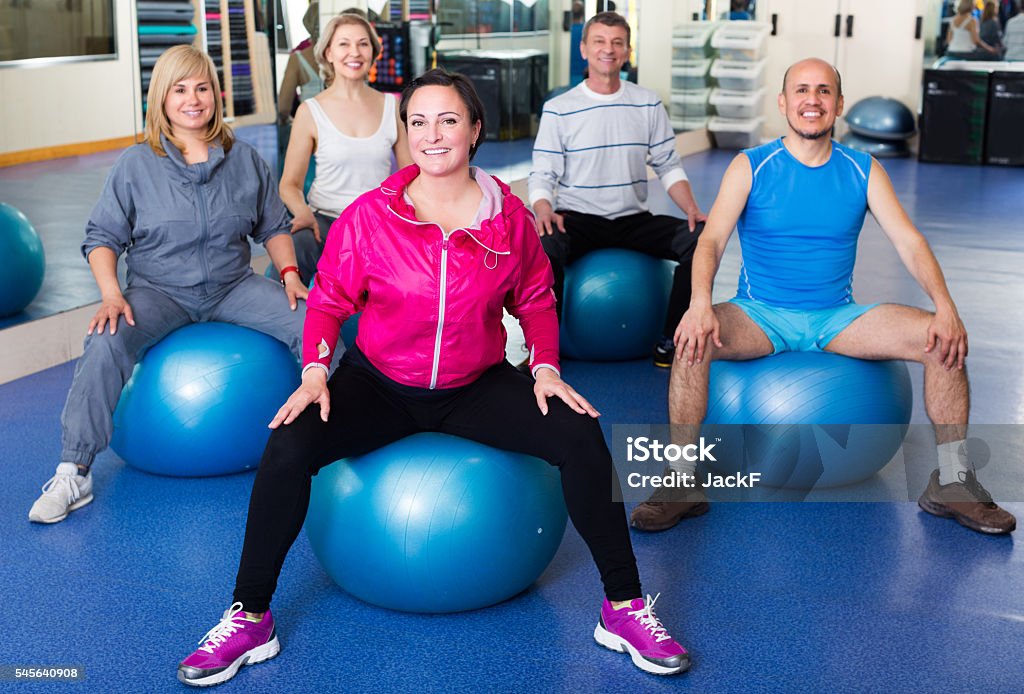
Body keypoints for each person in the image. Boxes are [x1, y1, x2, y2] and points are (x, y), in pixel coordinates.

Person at [177, 69, 691, 687]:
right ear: (406, 133)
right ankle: (249, 615)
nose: (432, 134)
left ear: (475, 131)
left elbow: (534, 297)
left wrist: (546, 367)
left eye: (448, 120)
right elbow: (331, 299)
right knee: (288, 444)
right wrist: (316, 370)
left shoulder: (508, 217)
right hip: (380, 384)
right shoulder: (371, 216)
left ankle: (625, 606)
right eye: (418, 122)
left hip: (475, 384)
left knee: (581, 435)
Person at [629, 58, 1017, 536]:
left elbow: (909, 241)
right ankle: (683, 479)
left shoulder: (862, 169)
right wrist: (700, 302)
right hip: (761, 313)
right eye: (801, 90)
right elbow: (711, 241)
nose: (812, 100)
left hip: (836, 316)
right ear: (783, 102)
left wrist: (946, 307)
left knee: (943, 340)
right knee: (691, 340)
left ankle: (953, 481)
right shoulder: (751, 165)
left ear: (838, 104)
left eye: (823, 91)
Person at [28, 45, 316, 524]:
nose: (193, 99)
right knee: (105, 340)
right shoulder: (135, 165)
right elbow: (102, 237)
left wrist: (289, 275)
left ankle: (335, 438)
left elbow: (274, 226)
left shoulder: (243, 160)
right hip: (158, 292)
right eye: (180, 89)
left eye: (202, 88)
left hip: (231, 286)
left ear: (215, 95)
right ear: (161, 98)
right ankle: (74, 470)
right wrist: (112, 294)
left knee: (314, 322)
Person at [529, 11, 707, 368]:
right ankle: (543, 354)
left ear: (627, 51)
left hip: (631, 219)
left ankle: (670, 340)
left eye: (616, 43)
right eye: (599, 41)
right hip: (577, 218)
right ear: (584, 49)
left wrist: (690, 207)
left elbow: (668, 164)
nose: (607, 50)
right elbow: (543, 172)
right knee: (545, 247)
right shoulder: (560, 109)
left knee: (701, 238)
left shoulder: (647, 103)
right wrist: (543, 207)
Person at [279, 11, 411, 283]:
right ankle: (298, 320)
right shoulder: (310, 111)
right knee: (297, 245)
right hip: (325, 222)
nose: (355, 52)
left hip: (377, 222)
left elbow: (410, 175)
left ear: (373, 51)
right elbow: (289, 184)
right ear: (328, 53)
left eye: (363, 43)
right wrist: (304, 213)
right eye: (344, 44)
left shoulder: (392, 106)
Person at [276, 2, 323, 125]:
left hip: (309, 127)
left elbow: (283, 108)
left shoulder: (297, 59)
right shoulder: (343, 57)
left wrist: (289, 121)